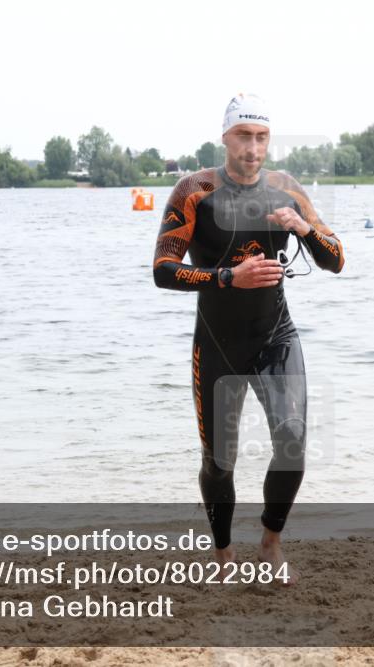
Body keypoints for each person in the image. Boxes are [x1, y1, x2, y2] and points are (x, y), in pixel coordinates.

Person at [152, 93, 345, 585]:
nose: (252, 148)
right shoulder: (193, 191)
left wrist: (303, 229)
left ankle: (270, 543)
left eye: (260, 138)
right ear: (225, 138)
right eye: (243, 137)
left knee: (294, 440)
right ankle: (222, 556)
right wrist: (224, 278)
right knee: (219, 462)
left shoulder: (287, 191)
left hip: (275, 336)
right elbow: (163, 270)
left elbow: (336, 258)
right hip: (216, 342)